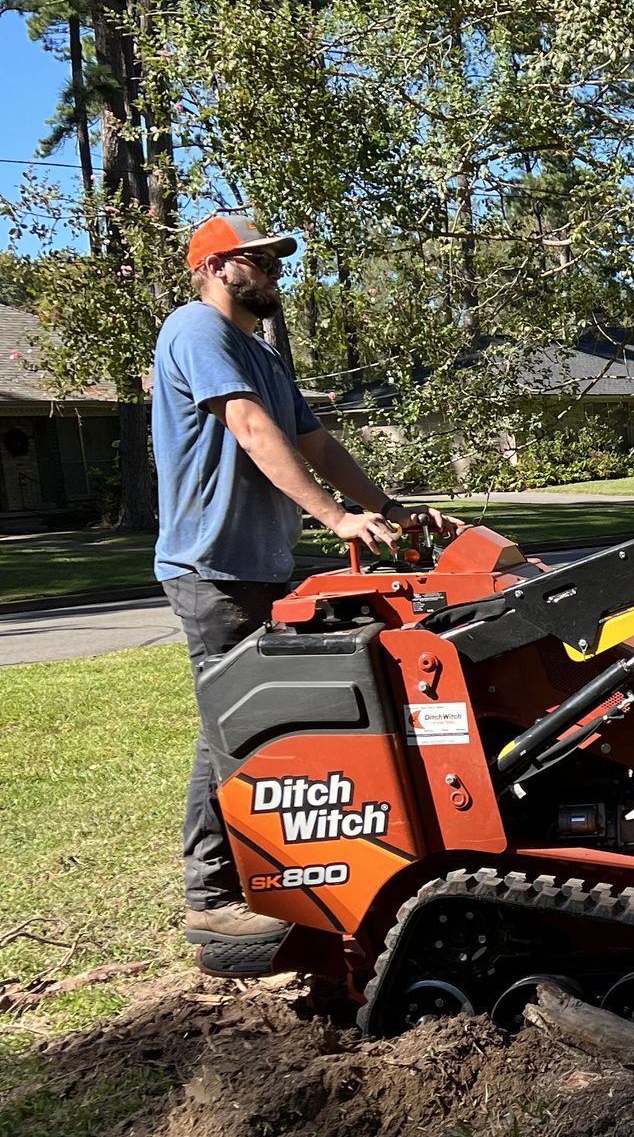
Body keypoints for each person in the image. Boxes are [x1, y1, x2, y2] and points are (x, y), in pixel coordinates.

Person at [153, 212, 456, 945]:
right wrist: (335, 519)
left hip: (258, 566)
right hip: (211, 567)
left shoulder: (263, 355)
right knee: (233, 727)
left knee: (257, 722)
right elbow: (253, 431)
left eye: (279, 263)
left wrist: (386, 509)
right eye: (262, 261)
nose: (276, 274)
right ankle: (211, 891)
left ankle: (291, 866)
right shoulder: (197, 330)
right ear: (218, 267)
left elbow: (318, 442)